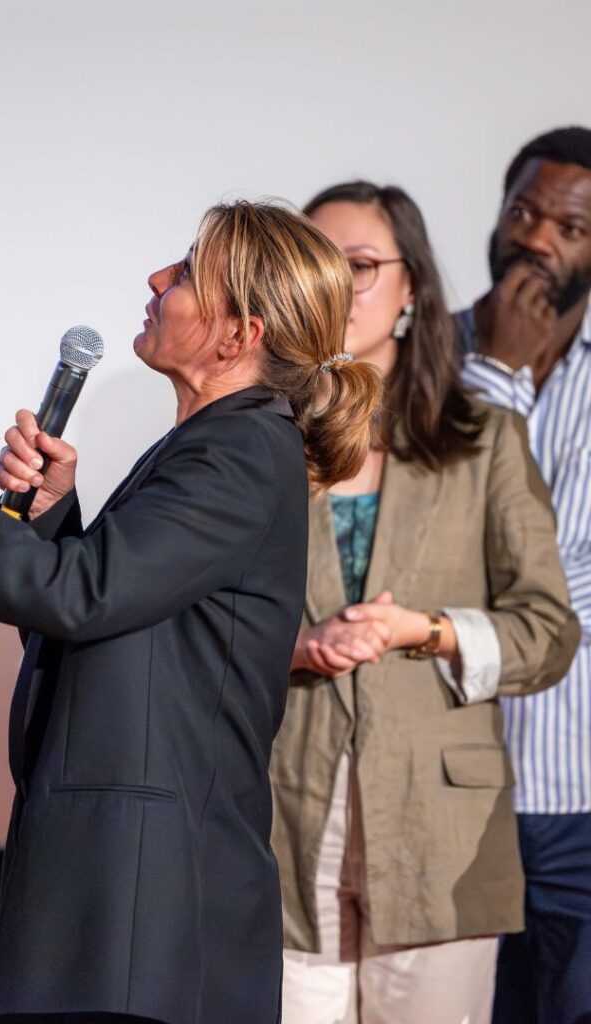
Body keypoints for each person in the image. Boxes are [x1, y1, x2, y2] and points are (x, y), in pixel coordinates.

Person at [0, 201, 382, 1024]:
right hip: (119, 909)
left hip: (137, 916)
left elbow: (84, 593)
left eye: (186, 272)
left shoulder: (237, 451)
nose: (156, 280)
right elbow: (122, 619)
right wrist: (54, 513)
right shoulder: (221, 444)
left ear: (239, 335)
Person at [270, 181, 579, 1024]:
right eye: (318, 264)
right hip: (283, 816)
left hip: (444, 831)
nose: (339, 286)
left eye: (362, 265)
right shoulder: (260, 438)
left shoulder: (483, 437)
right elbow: (209, 620)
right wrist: (298, 646)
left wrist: (430, 631)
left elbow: (548, 633)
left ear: (411, 287)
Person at [455, 126, 591, 1024]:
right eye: (523, 212)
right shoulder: (426, 357)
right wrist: (495, 373)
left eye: (570, 227)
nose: (537, 238)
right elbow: (436, 546)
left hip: (582, 798)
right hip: (452, 788)